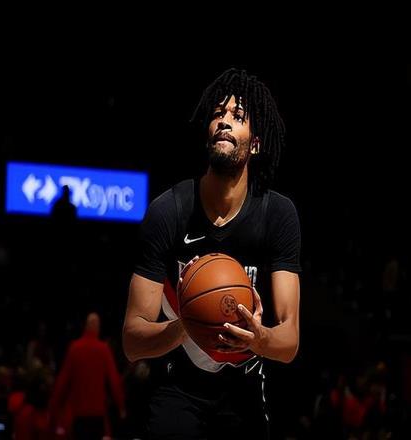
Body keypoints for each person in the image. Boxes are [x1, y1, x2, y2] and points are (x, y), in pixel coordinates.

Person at [123, 68, 301, 439]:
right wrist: (187, 325)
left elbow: (288, 343)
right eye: (218, 114)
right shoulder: (168, 211)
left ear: (255, 144)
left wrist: (257, 338)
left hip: (243, 384)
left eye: (238, 116)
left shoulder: (277, 215)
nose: (224, 121)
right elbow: (132, 341)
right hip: (176, 384)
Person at [49, 312, 125, 440]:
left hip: (78, 414)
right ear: (98, 328)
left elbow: (62, 382)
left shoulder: (74, 348)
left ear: (86, 326)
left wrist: (53, 407)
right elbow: (114, 381)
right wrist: (121, 405)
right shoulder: (103, 349)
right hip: (97, 414)